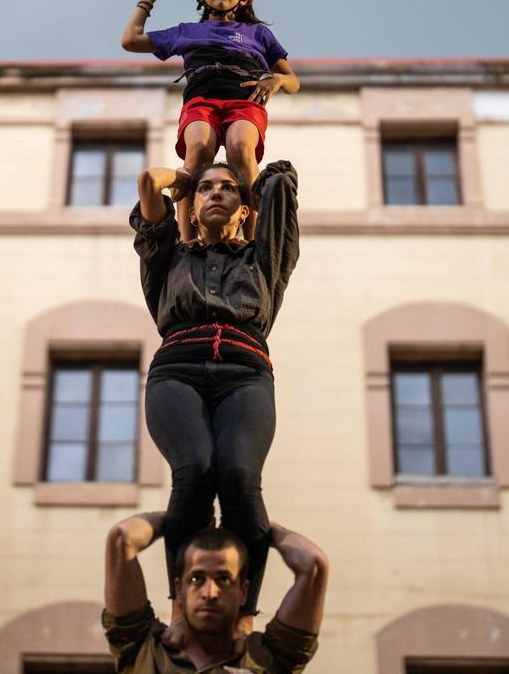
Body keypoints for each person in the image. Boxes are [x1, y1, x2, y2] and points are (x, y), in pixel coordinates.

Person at [131, 157, 298, 634]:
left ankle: (244, 615)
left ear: (246, 209)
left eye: (227, 189)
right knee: (197, 471)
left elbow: (280, 181)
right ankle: (180, 610)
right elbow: (148, 183)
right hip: (177, 373)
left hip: (244, 374)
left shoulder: (263, 261)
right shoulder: (170, 257)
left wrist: (243, 180)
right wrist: (185, 181)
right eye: (207, 189)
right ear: (193, 201)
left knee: (240, 476)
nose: (216, 194)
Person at [121, 0, 300, 242]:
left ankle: (255, 239)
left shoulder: (257, 33)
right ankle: (189, 242)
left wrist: (278, 80)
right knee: (198, 150)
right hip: (201, 102)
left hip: (244, 102)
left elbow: (293, 80)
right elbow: (131, 40)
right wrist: (145, 3)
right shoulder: (186, 32)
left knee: (241, 148)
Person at [103, 511, 328, 673]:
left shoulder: (266, 659)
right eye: (197, 579)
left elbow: (314, 565)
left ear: (243, 591)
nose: (210, 593)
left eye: (223, 579)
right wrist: (179, 514)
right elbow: (121, 538)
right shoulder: (145, 649)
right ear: (179, 590)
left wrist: (269, 529)